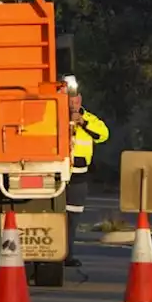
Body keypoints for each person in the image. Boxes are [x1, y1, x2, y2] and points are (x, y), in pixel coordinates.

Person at [65, 77, 109, 268]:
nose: (73, 103)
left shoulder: (89, 118)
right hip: (56, 175)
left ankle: (68, 254)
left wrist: (82, 123)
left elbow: (103, 134)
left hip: (78, 177)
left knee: (72, 220)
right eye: (69, 100)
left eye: (75, 100)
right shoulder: (52, 118)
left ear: (80, 100)